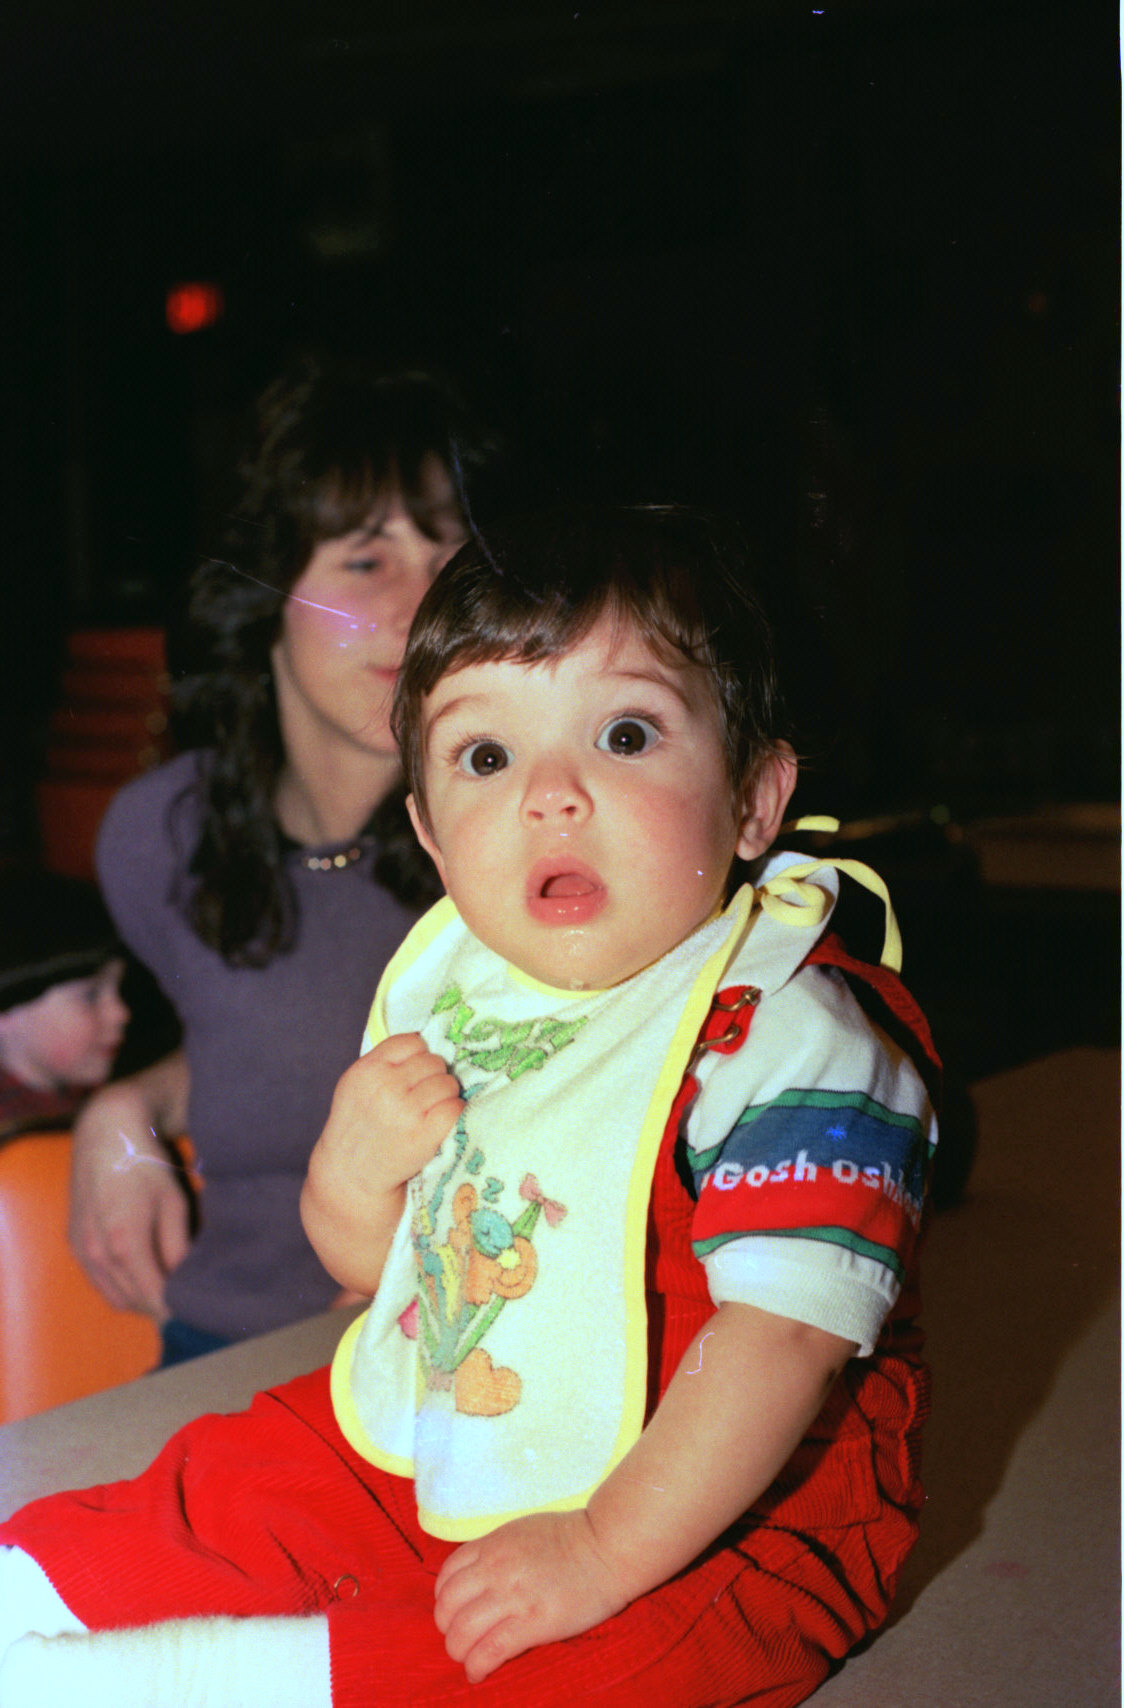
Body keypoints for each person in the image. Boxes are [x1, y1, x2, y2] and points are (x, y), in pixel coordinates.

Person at [0, 507, 939, 1708]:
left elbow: (785, 1340)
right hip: (478, 1416)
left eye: (624, 733)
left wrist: (599, 1548)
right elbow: (390, 1276)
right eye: (485, 757)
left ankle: (219, 1680)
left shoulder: (796, 1038)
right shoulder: (466, 995)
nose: (550, 794)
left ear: (753, 799)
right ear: (431, 836)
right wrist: (352, 1174)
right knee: (261, 1460)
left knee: (622, 1663)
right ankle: (35, 1589)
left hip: (738, 1496)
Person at [67, 354, 495, 1365]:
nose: (424, 600)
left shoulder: (511, 840)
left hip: (453, 1358)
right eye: (365, 559)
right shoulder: (164, 838)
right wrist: (124, 1110)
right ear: (264, 595)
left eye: (452, 552)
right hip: (219, 1354)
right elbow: (265, 1042)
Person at [0, 869, 129, 1139]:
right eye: (91, 995)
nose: (121, 1013)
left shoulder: (72, 1104)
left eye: (118, 989)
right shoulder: (22, 1137)